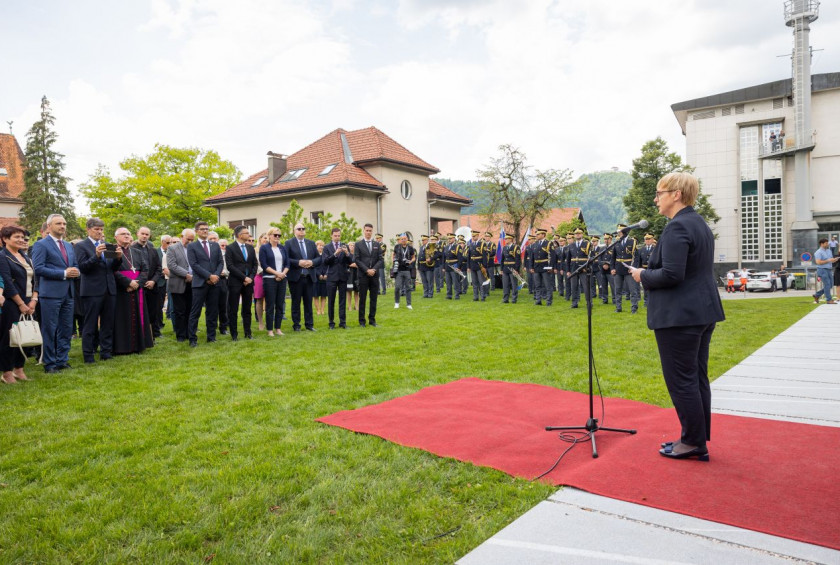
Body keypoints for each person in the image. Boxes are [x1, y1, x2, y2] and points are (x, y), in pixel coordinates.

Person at [629, 172, 725, 461]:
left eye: (660, 192)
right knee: (696, 378)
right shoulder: (698, 224)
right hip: (701, 312)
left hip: (680, 316)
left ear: (677, 194)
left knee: (682, 380)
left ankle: (694, 442)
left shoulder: (677, 227)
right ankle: (693, 438)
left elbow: (672, 274)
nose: (656, 198)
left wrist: (641, 274)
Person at [31, 214, 79, 374]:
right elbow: (38, 268)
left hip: (69, 293)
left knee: (66, 329)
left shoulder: (68, 245)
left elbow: (75, 265)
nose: (63, 226)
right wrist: (64, 273)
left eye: (64, 223)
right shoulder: (41, 245)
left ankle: (62, 360)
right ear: (49, 226)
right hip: (50, 294)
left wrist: (75, 271)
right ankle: (49, 363)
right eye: (59, 223)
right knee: (50, 329)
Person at [75, 218, 121, 363]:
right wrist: (95, 256)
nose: (99, 232)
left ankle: (106, 352)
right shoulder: (81, 246)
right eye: (96, 229)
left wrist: (118, 259)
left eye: (101, 229)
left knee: (107, 323)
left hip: (109, 289)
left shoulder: (107, 245)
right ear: (88, 229)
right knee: (90, 324)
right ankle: (88, 354)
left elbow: (112, 268)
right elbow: (82, 268)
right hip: (92, 291)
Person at [0, 226, 39, 383]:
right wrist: (21, 303)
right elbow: (7, 282)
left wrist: (34, 300)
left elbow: (35, 279)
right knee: (10, 338)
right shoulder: (2, 256)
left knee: (26, 336)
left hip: (30, 301)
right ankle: (7, 372)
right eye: (16, 237)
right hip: (12, 302)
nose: (21, 240)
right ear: (5, 239)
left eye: (22, 237)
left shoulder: (26, 256)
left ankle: (19, 369)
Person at [113, 228, 154, 354]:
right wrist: (127, 282)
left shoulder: (136, 251)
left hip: (137, 289)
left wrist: (137, 283)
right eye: (123, 234)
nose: (126, 236)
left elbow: (145, 269)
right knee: (122, 318)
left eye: (128, 234)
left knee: (138, 316)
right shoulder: (111, 250)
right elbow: (111, 270)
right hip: (121, 289)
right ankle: (122, 347)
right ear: (116, 237)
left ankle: (138, 345)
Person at [187, 221, 223, 347]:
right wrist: (209, 276)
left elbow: (220, 262)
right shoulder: (192, 246)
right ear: (197, 231)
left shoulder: (215, 245)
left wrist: (216, 276)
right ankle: (192, 339)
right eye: (202, 229)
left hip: (214, 283)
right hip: (200, 283)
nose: (205, 231)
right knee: (195, 312)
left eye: (207, 229)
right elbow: (194, 264)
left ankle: (211, 337)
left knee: (212, 311)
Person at [285, 223, 321, 331]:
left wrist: (311, 262)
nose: (301, 231)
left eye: (303, 229)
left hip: (309, 277)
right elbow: (286, 259)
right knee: (296, 302)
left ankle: (309, 325)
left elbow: (319, 259)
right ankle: (296, 325)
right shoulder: (289, 243)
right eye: (299, 229)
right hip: (296, 277)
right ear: (294, 231)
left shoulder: (310, 243)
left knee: (308, 302)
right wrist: (298, 262)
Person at [227, 225, 259, 340]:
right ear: (240, 235)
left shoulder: (250, 248)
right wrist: (244, 278)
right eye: (246, 233)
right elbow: (230, 266)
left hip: (249, 283)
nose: (249, 235)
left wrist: (250, 277)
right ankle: (234, 334)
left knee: (247, 309)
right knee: (233, 309)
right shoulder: (230, 248)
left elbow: (255, 264)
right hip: (235, 282)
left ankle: (248, 333)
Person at [132, 226, 164, 338]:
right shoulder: (130, 250)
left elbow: (159, 268)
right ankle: (140, 335)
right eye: (143, 233)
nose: (144, 236)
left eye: (147, 234)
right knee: (137, 312)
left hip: (152, 286)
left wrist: (153, 281)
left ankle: (155, 333)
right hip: (137, 285)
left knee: (153, 311)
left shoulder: (153, 250)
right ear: (137, 234)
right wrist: (141, 282)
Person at [258, 227, 288, 337]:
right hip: (270, 279)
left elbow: (287, 264)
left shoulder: (282, 248)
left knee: (280, 304)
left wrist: (282, 274)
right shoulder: (264, 248)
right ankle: (270, 329)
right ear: (270, 235)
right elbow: (264, 265)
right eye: (275, 235)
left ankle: (278, 328)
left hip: (282, 278)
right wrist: (276, 273)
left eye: (279, 235)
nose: (277, 237)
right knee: (270, 305)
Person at [166, 229, 194, 342]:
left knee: (190, 310)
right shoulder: (172, 248)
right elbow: (172, 265)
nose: (190, 242)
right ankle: (181, 335)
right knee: (179, 311)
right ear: (182, 236)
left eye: (192, 240)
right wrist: (186, 274)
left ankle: (189, 332)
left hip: (192, 283)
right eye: (188, 239)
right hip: (178, 283)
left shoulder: (193, 248)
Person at [355, 223, 383, 327]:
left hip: (374, 275)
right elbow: (357, 260)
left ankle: (372, 320)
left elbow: (380, 259)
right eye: (367, 230)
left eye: (370, 231)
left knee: (373, 298)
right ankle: (362, 321)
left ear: (372, 231)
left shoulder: (377, 244)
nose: (368, 232)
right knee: (362, 298)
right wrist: (367, 270)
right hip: (363, 275)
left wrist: (374, 269)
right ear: (364, 231)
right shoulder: (358, 244)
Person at [323, 227, 351, 329]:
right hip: (331, 277)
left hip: (342, 276)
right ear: (331, 235)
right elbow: (325, 261)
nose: (337, 237)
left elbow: (350, 261)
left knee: (342, 300)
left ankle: (343, 323)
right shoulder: (327, 247)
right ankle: (331, 323)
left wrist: (347, 253)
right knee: (331, 300)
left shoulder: (345, 245)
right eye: (335, 236)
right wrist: (335, 254)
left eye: (339, 235)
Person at [611, 224, 640, 314]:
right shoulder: (617, 242)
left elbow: (636, 257)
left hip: (629, 268)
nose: (618, 233)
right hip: (618, 268)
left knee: (632, 290)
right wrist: (612, 268)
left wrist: (633, 268)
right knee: (618, 289)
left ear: (624, 232)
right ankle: (618, 307)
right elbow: (613, 257)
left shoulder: (632, 242)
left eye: (619, 231)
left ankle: (634, 308)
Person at [207, 232, 230, 336]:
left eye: (215, 238)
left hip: (222, 280)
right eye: (210, 238)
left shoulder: (224, 253)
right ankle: (211, 328)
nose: (213, 240)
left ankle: (223, 327)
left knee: (223, 305)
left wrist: (223, 272)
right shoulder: (205, 252)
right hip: (209, 281)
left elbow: (228, 267)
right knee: (211, 306)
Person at [566, 228, 592, 309]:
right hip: (573, 268)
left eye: (579, 233)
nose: (577, 235)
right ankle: (574, 303)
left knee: (586, 286)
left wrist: (587, 267)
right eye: (576, 233)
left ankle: (589, 303)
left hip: (584, 268)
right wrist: (568, 270)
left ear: (582, 234)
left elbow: (591, 257)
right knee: (574, 286)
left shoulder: (587, 244)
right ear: (574, 235)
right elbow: (568, 259)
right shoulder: (571, 245)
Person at [392, 233, 415, 309]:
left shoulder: (410, 248)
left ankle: (409, 304)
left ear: (407, 239)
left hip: (407, 270)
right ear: (400, 240)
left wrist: (410, 261)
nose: (403, 240)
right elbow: (393, 255)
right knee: (397, 287)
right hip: (398, 270)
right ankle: (397, 303)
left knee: (408, 287)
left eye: (405, 239)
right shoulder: (397, 247)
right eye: (402, 239)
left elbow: (413, 257)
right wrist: (394, 261)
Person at [530, 228, 552, 306]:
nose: (537, 236)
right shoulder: (534, 244)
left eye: (538, 234)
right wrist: (531, 267)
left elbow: (552, 256)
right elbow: (532, 257)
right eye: (536, 234)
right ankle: (538, 300)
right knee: (537, 285)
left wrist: (550, 267)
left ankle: (548, 301)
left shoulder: (548, 243)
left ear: (543, 235)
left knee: (547, 285)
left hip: (545, 266)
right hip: (536, 267)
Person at [813, 238, 839, 304]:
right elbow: (818, 262)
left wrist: (834, 260)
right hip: (822, 270)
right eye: (826, 243)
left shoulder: (829, 251)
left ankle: (817, 295)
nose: (828, 244)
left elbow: (830, 259)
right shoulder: (818, 252)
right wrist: (828, 260)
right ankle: (829, 300)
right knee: (827, 284)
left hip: (829, 269)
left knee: (830, 285)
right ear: (822, 244)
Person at [252, 233, 267, 330]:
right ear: (260, 239)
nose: (266, 239)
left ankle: (270, 321)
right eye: (264, 238)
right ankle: (260, 322)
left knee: (271, 300)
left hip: (271, 276)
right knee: (259, 300)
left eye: (267, 238)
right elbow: (254, 264)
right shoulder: (255, 251)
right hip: (259, 276)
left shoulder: (271, 249)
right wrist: (262, 271)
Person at [500, 233, 520, 304]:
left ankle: (514, 298)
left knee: (514, 284)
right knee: (505, 284)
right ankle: (505, 298)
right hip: (505, 268)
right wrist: (501, 269)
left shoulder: (516, 247)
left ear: (511, 239)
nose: (505, 240)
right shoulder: (504, 248)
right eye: (505, 239)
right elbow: (502, 259)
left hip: (513, 268)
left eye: (507, 239)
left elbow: (518, 260)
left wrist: (517, 270)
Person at [639, 233, 655, 307]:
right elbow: (639, 261)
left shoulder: (656, 248)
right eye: (646, 239)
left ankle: (653, 301)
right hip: (644, 269)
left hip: (653, 269)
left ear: (652, 240)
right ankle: (646, 302)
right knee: (645, 285)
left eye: (649, 239)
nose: (647, 241)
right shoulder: (641, 249)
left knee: (653, 285)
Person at [314, 240, 328, 315]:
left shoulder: (326, 255)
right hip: (316, 278)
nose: (321, 247)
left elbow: (328, 266)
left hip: (325, 278)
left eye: (322, 245)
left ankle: (322, 310)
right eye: (320, 245)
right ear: (316, 246)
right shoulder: (314, 256)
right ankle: (318, 310)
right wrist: (319, 274)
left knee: (323, 295)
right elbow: (313, 266)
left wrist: (326, 274)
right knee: (316, 295)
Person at [346, 241, 358, 312]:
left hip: (356, 274)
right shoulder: (347, 255)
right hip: (349, 274)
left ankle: (356, 306)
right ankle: (349, 306)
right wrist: (350, 265)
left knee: (357, 291)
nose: (352, 247)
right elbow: (344, 264)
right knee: (349, 291)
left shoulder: (357, 255)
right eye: (350, 245)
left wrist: (356, 265)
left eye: (353, 245)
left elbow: (361, 262)